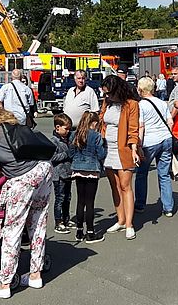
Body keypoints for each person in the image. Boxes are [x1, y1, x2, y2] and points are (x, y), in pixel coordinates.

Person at [0, 94, 52, 299]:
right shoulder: (10, 120)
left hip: (22, 177)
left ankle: (4, 283)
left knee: (12, 230)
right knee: (38, 223)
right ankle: (35, 274)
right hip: (42, 169)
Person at [99, 75, 140, 240]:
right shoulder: (107, 103)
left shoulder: (131, 104)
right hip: (107, 149)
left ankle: (129, 224)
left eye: (109, 93)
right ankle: (120, 220)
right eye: (105, 94)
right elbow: (102, 121)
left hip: (123, 150)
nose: (107, 96)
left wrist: (134, 149)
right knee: (114, 186)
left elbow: (133, 129)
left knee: (125, 186)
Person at [135, 77, 174, 217]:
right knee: (164, 175)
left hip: (150, 142)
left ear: (141, 89)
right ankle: (168, 207)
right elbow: (170, 122)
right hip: (166, 138)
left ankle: (140, 204)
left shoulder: (141, 105)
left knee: (141, 174)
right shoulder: (162, 103)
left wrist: (138, 145)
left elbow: (141, 126)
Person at [70, 111, 107, 243]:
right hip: (92, 169)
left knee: (80, 201)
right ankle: (90, 232)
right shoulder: (96, 136)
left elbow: (71, 152)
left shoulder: (75, 134)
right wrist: (105, 145)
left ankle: (79, 231)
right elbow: (101, 154)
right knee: (90, 202)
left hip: (78, 169)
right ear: (95, 123)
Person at [49, 114, 74, 234]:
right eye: (66, 128)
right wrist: (67, 154)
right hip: (58, 174)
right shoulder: (54, 141)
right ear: (57, 127)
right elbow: (52, 157)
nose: (68, 131)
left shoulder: (68, 139)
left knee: (68, 197)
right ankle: (58, 222)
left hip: (68, 173)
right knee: (60, 198)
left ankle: (66, 219)